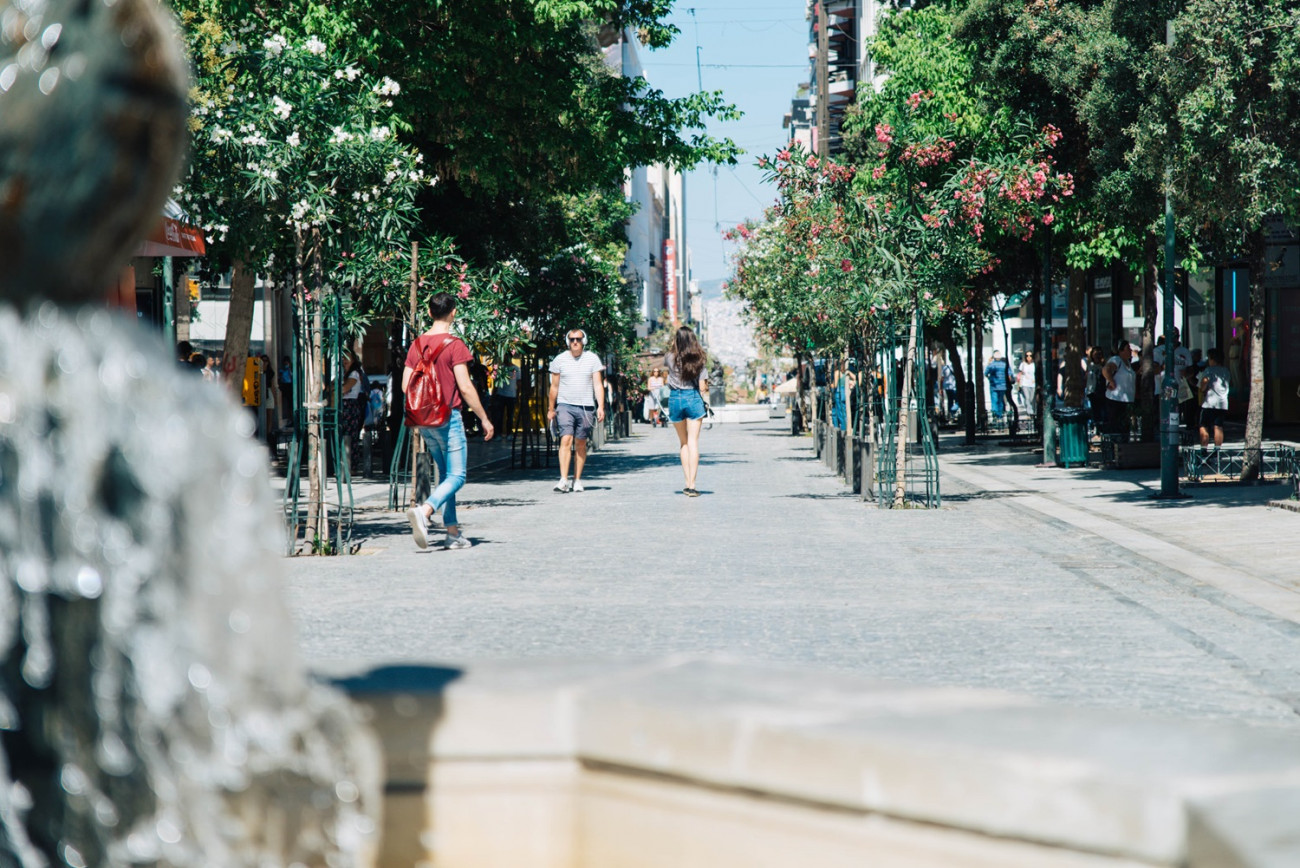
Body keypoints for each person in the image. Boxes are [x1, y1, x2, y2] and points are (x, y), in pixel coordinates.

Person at [404, 292, 494, 551]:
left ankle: (453, 533)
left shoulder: (417, 345)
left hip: (424, 419)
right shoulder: (455, 345)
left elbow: (404, 385)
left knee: (445, 475)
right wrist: (484, 419)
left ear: (430, 313)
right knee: (458, 475)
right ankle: (426, 510)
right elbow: (465, 387)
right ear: (453, 312)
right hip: (448, 417)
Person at [547, 328, 605, 492]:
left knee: (580, 443)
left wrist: (601, 406)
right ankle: (563, 479)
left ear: (583, 341)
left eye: (578, 339)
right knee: (566, 439)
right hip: (565, 405)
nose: (575, 342)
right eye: (572, 339)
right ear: (567, 341)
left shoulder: (592, 359)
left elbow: (598, 384)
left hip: (586, 407)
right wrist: (551, 409)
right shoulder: (559, 360)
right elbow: (554, 387)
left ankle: (577, 479)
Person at [664, 325, 709, 496]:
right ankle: (692, 484)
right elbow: (702, 387)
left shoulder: (669, 357)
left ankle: (685, 481)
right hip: (693, 398)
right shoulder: (699, 359)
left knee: (683, 443)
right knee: (693, 443)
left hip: (675, 398)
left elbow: (670, 360)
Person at [340, 349, 368, 474]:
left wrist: (335, 389)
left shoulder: (355, 374)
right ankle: (345, 464)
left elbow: (344, 389)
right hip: (344, 406)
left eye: (347, 358)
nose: (344, 360)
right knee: (345, 435)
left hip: (351, 405)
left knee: (351, 436)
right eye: (343, 357)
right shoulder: (344, 374)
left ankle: (352, 466)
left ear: (353, 360)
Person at [1102, 339, 1136, 437]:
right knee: (1116, 429)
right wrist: (1111, 381)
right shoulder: (1116, 360)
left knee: (1125, 428)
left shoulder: (1128, 363)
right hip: (1116, 400)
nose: (1130, 350)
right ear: (1121, 351)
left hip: (1126, 401)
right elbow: (1106, 369)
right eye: (1127, 348)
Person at [1198, 347, 1230, 450]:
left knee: (1204, 426)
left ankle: (1203, 449)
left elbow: (1205, 381)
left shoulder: (1209, 370)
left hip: (1209, 403)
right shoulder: (1226, 371)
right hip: (1222, 403)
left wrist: (1202, 389)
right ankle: (1217, 450)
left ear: (1212, 359)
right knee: (1218, 426)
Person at [491, 360, 519, 439]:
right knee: (499, 416)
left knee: (510, 416)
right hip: (501, 395)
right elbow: (496, 382)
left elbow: (519, 383)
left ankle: (509, 433)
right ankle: (498, 433)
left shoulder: (516, 368)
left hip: (511, 395)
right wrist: (494, 394)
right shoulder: (500, 368)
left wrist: (518, 395)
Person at [984, 350, 1011, 420]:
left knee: (994, 401)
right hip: (1003, 386)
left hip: (994, 386)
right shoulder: (1005, 365)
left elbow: (986, 373)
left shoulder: (991, 365)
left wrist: (990, 378)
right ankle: (1000, 415)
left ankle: (995, 416)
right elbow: (1010, 373)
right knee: (1000, 401)